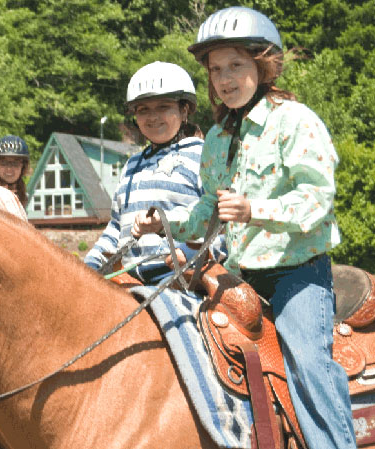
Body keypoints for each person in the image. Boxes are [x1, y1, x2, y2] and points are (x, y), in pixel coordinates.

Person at [132, 7, 355, 448]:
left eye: (236, 65)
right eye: (216, 70)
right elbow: (207, 213)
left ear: (263, 63)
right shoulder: (216, 138)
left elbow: (318, 201)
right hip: (239, 276)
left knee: (308, 362)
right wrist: (165, 222)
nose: (225, 78)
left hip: (297, 274)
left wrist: (255, 209)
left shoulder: (295, 121)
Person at [85, 61, 213, 284]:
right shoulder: (132, 164)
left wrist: (194, 251)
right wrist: (89, 266)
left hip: (180, 275)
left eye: (163, 106)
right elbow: (116, 227)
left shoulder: (204, 155)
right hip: (128, 277)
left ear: (184, 110)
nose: (152, 117)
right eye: (143, 109)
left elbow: (223, 221)